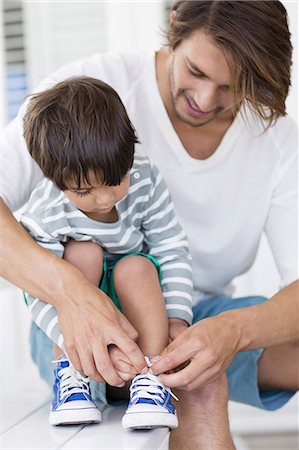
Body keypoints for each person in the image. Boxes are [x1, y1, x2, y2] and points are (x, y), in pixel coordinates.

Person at [1, 1, 298, 449]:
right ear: (175, 30)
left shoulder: (277, 140)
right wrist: (72, 295)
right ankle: (111, 375)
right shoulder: (91, 95)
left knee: (215, 353)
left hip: (196, 313)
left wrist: (233, 330)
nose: (204, 100)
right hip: (84, 317)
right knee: (197, 384)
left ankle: (169, 363)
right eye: (196, 72)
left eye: (231, 88)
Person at [20, 76, 192, 428]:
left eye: (115, 181)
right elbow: (39, 291)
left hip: (137, 312)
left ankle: (150, 377)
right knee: (83, 254)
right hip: (75, 319)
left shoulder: (145, 178)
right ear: (54, 179)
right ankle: (73, 378)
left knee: (137, 267)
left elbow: (171, 247)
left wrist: (177, 317)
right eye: (84, 191)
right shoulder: (46, 209)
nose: (104, 199)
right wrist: (79, 339)